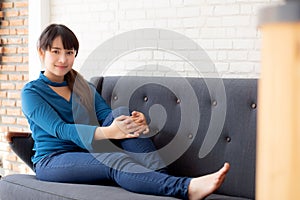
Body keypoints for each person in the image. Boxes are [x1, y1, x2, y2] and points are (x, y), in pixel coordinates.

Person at [21, 23, 230, 200]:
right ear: (42, 52)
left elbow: (105, 116)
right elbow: (60, 129)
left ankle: (160, 181)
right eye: (55, 51)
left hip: (87, 152)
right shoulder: (32, 92)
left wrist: (135, 123)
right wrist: (110, 133)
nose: (63, 59)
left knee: (121, 111)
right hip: (53, 159)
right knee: (112, 160)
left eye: (69, 52)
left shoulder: (83, 86)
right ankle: (184, 188)